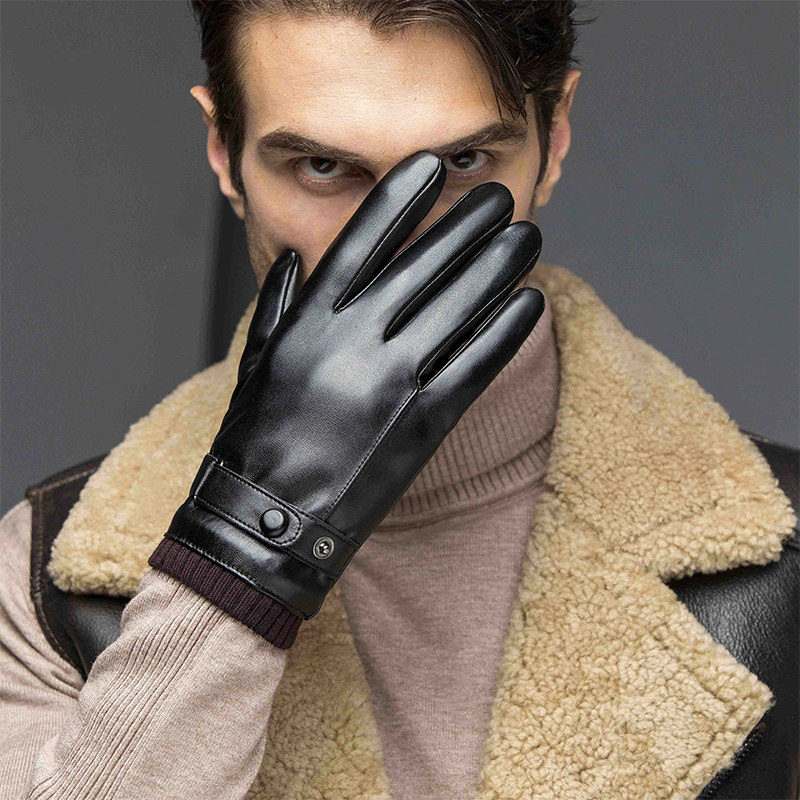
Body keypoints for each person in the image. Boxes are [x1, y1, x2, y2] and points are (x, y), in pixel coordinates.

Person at [1, 2, 797, 799]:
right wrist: (252, 530)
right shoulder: (43, 573)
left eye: (463, 162)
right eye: (321, 166)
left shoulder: (784, 552)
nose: (395, 242)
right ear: (224, 153)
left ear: (554, 139)